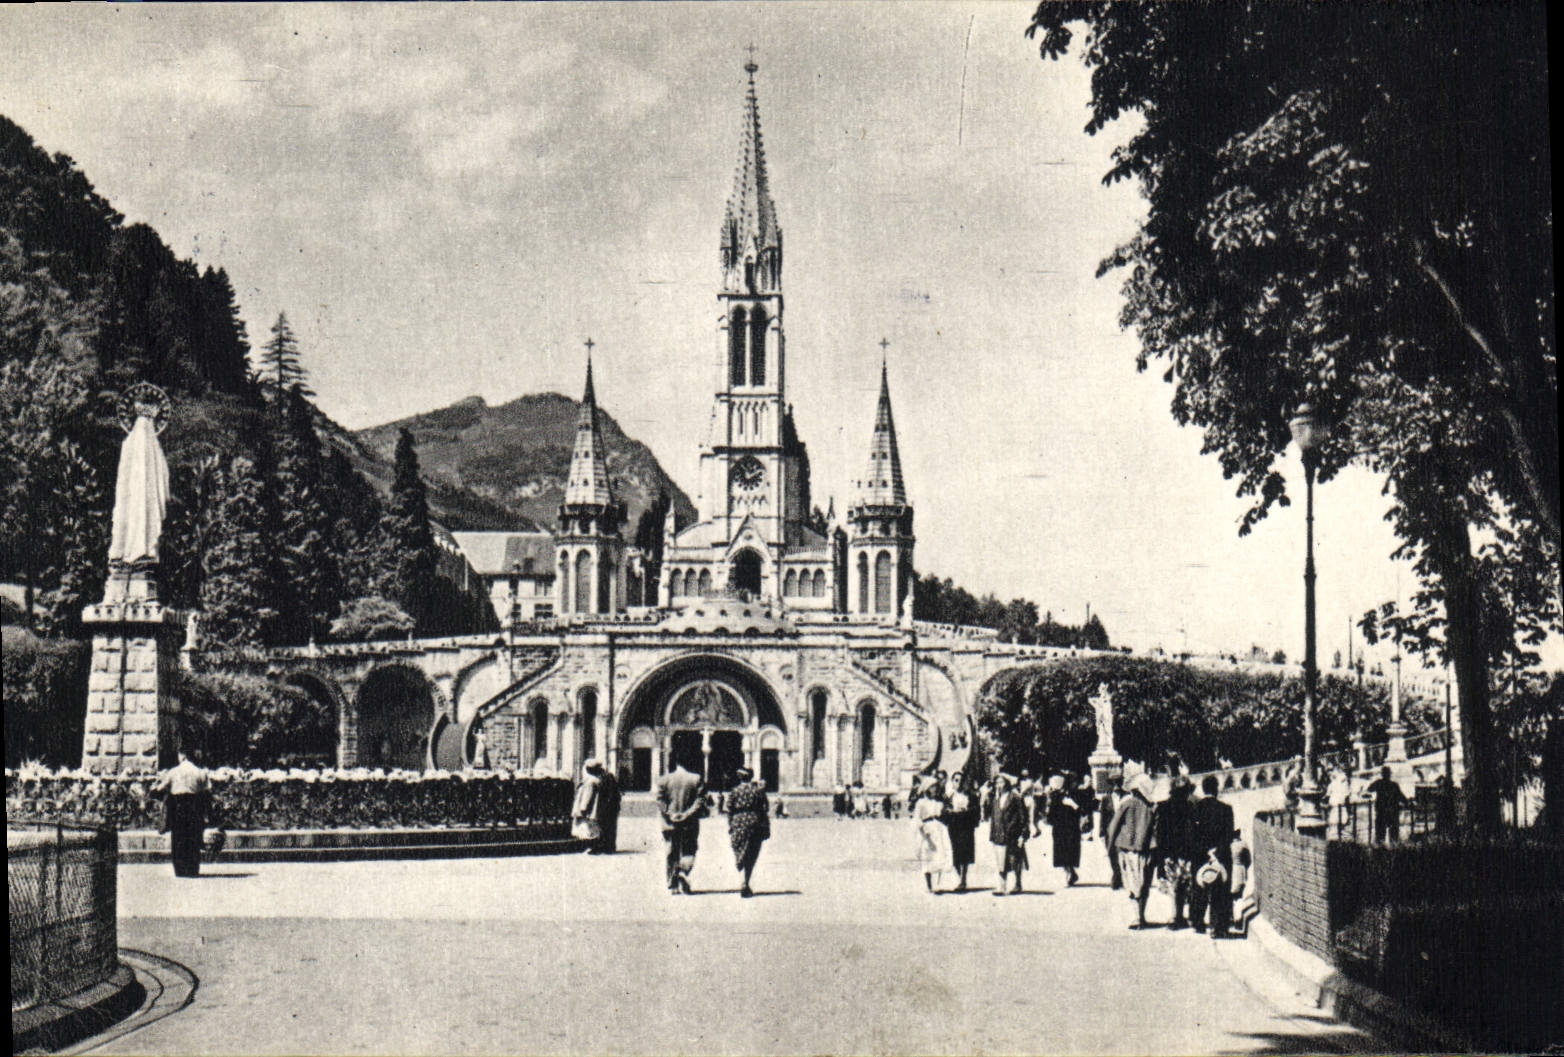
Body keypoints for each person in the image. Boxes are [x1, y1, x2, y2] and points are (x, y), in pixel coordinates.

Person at [1107, 772, 1158, 928]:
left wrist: (1110, 848)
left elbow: (1113, 827)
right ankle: (1142, 916)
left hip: (1127, 849)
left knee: (1131, 883)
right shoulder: (1152, 808)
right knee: (1144, 884)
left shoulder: (1126, 804)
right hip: (1146, 850)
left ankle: (1137, 917)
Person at [1189, 775, 1236, 936]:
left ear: (1203, 789)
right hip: (1220, 854)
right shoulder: (1226, 809)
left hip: (1199, 854)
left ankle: (1197, 921)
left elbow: (1192, 834)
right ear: (1216, 789)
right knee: (1220, 890)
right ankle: (1218, 926)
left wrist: (1204, 851)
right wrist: (1216, 851)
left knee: (1199, 886)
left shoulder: (1196, 808)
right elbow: (1229, 835)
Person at [153, 748, 211, 878]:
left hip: (178, 807)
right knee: (193, 838)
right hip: (194, 807)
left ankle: (180, 869)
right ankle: (193, 869)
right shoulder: (199, 772)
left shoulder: (173, 772)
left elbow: (161, 788)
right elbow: (207, 790)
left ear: (182, 756)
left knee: (178, 838)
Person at [655, 759, 707, 894]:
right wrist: (686, 814)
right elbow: (700, 800)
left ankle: (673, 885)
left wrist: (670, 814)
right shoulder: (695, 779)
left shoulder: (664, 780)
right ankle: (683, 872)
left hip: (669, 824)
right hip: (689, 823)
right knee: (689, 850)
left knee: (672, 852)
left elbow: (660, 800)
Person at [1156, 776, 1196, 929]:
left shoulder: (1163, 807)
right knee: (1182, 884)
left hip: (1169, 851)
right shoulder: (1191, 807)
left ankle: (1175, 916)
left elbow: (1160, 833)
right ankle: (1178, 915)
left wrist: (1160, 856)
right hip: (1184, 851)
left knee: (1174, 885)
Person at [726, 767, 770, 897]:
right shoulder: (758, 791)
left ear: (740, 777)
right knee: (752, 852)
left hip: (738, 822)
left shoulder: (734, 791)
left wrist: (731, 824)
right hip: (754, 822)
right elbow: (765, 808)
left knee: (740, 851)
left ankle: (742, 878)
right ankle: (745, 881)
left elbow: (729, 809)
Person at [989, 773, 1030, 895]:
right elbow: (993, 816)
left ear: (1007, 783)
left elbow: (1023, 816)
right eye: (997, 783)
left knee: (1014, 859)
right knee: (1001, 861)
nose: (998, 785)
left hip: (1012, 833)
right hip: (999, 833)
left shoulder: (1015, 797)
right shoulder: (995, 798)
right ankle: (1002, 886)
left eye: (1001, 782)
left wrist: (1023, 834)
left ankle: (1018, 884)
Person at [913, 776, 952, 893]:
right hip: (927, 829)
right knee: (927, 855)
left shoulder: (938, 803)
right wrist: (924, 834)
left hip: (938, 829)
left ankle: (937, 884)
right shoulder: (921, 803)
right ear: (927, 789)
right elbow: (917, 819)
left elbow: (944, 815)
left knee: (939, 854)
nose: (935, 790)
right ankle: (929, 884)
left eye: (936, 787)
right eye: (932, 787)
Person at [943, 771, 979, 892]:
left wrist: (966, 811)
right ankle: (960, 878)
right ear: (952, 782)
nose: (958, 783)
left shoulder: (970, 796)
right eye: (956, 780)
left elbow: (976, 811)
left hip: (966, 827)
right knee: (955, 853)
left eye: (961, 780)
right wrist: (949, 812)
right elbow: (944, 811)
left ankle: (963, 880)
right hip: (953, 827)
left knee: (965, 853)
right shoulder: (949, 796)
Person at [1044, 774, 1082, 886]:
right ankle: (1069, 873)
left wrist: (1073, 804)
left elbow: (1082, 810)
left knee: (1070, 851)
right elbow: (1050, 815)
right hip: (1059, 828)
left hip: (1071, 827)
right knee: (1061, 852)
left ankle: (1070, 873)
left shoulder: (1075, 795)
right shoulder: (1054, 796)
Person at [586, 759, 620, 853]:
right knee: (608, 826)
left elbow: (610, 793)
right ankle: (608, 847)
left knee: (605, 826)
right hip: (609, 806)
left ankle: (605, 847)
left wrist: (605, 806)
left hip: (607, 806)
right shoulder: (606, 776)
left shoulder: (605, 778)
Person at [1367, 766, 1407, 843]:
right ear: (1390, 774)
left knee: (1380, 835)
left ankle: (1380, 850)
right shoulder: (1394, 785)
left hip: (1381, 811)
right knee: (1394, 836)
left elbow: (1369, 789)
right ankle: (1393, 850)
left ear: (1382, 774)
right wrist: (1407, 803)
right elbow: (1401, 796)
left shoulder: (1379, 783)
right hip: (1393, 811)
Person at [572, 763, 603, 851]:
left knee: (587, 828)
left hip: (587, 809)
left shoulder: (590, 781)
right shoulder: (592, 780)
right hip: (589, 809)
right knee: (588, 827)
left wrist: (583, 808)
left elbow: (588, 795)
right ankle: (590, 846)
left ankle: (590, 847)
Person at [1326, 767, 1352, 837]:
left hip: (1334, 804)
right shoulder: (1345, 782)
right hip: (1341, 803)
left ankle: (1336, 831)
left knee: (1335, 819)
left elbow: (1328, 794)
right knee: (1342, 817)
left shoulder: (1332, 783)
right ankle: (1341, 830)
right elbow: (1347, 795)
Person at [1073, 773, 1098, 842]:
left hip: (1089, 808)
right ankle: (1081, 835)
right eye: (1088, 780)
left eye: (1090, 780)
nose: (1089, 782)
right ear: (1084, 781)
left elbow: (1093, 798)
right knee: (1082, 821)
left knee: (1089, 821)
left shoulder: (1092, 790)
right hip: (1083, 808)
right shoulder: (1080, 790)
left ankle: (1089, 835)